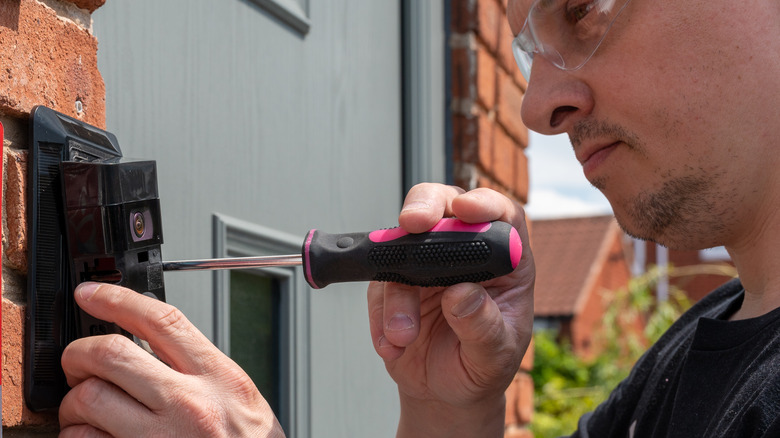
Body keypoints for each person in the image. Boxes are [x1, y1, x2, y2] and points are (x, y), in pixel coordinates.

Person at [58, 0, 780, 436]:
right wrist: (449, 411)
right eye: (528, 50)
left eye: (583, 8)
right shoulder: (701, 346)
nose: (537, 107)